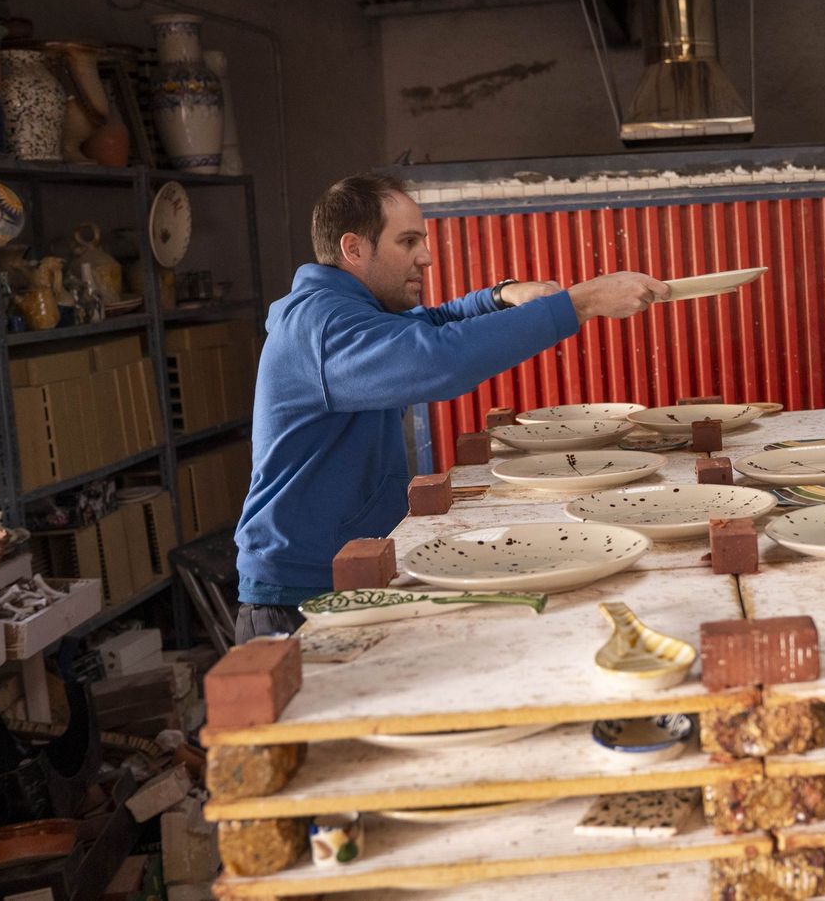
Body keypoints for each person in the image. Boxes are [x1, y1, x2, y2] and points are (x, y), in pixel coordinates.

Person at [233, 173, 667, 643]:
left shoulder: (348, 311)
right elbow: (438, 358)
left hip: (347, 571)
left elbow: (429, 322)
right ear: (354, 249)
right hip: (299, 596)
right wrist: (580, 303)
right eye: (408, 241)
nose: (426, 256)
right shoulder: (322, 326)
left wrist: (502, 296)